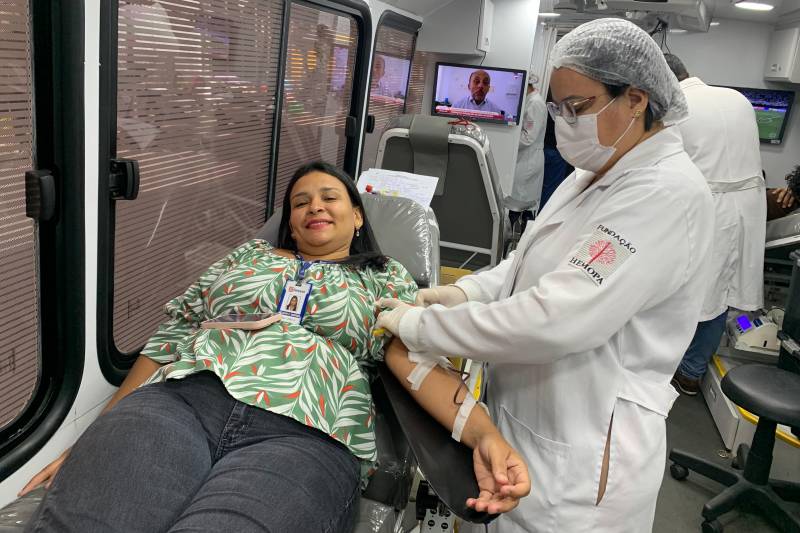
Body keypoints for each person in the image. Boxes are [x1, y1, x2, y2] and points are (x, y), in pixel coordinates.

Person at [20, 161, 530, 532]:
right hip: (181, 402)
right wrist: (96, 432)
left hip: (308, 433)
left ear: (357, 216)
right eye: (300, 202)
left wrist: (483, 434)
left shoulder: (385, 276)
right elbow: (175, 331)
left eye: (329, 197)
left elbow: (413, 360)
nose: (314, 207)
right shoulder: (249, 256)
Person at [376, 18, 714, 532]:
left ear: (636, 100)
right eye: (557, 108)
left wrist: (421, 327)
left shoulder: (664, 195)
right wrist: (462, 292)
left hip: (584, 454)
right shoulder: (592, 173)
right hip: (528, 419)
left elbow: (557, 317)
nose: (564, 123)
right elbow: (525, 264)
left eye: (576, 107)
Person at [664, 54, 767, 396]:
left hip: (707, 207)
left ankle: (668, 369)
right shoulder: (737, 98)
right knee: (720, 293)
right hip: (747, 207)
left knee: (684, 290)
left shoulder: (676, 108)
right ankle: (692, 373)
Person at [506, 72, 547, 234]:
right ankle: (514, 233)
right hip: (524, 158)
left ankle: (517, 237)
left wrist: (506, 143)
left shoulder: (535, 103)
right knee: (519, 200)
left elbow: (528, 137)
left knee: (520, 202)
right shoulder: (529, 100)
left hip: (528, 160)